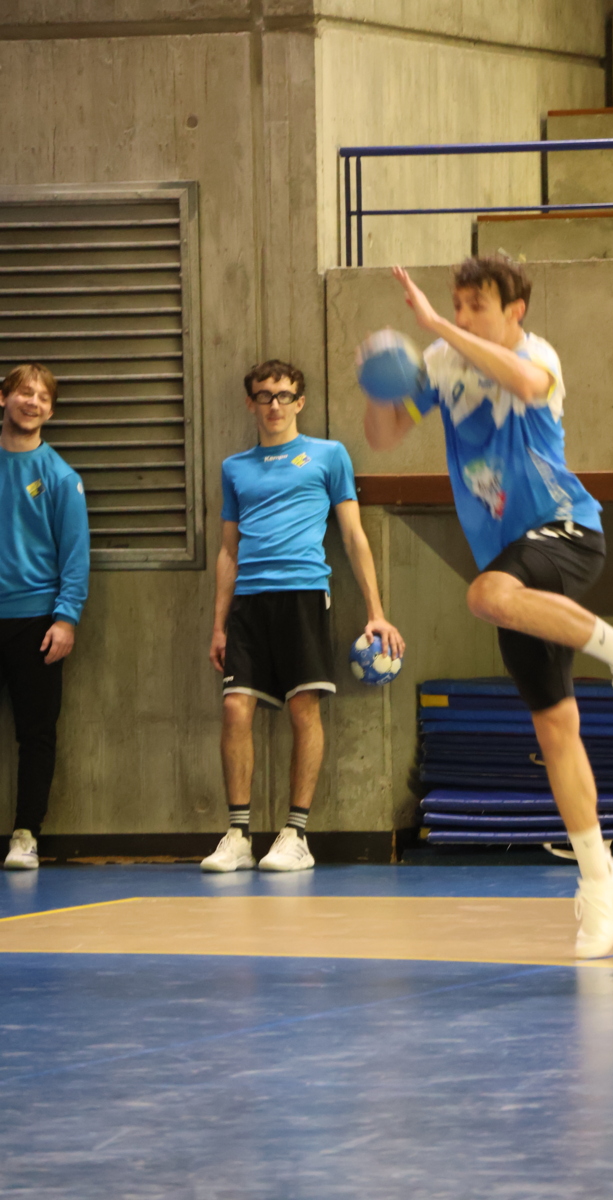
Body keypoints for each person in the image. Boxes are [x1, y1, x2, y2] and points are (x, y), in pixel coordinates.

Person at [361, 255, 613, 958]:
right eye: (456, 304)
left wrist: (436, 327)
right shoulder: (440, 364)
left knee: (486, 594)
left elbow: (526, 385)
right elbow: (383, 436)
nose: (462, 315)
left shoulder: (538, 355)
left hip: (568, 530)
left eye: (477, 305)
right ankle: (600, 877)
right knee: (556, 728)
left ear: (515, 311)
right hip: (513, 560)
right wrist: (384, 385)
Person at [202, 359, 404, 873]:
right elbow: (228, 551)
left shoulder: (329, 456)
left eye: (284, 395)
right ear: (250, 403)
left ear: (300, 401)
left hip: (305, 594)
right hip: (249, 603)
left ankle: (295, 835)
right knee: (235, 709)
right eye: (264, 396)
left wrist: (376, 612)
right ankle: (238, 835)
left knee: (302, 711)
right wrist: (219, 624)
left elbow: (353, 536)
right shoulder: (234, 468)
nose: (275, 405)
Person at [1, 363, 89, 870]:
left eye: (42, 397)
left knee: (35, 735)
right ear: (3, 399)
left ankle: (25, 834)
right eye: (23, 393)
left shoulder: (60, 477)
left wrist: (66, 618)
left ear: (50, 412)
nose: (32, 402)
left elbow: (75, 555)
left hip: (36, 622)